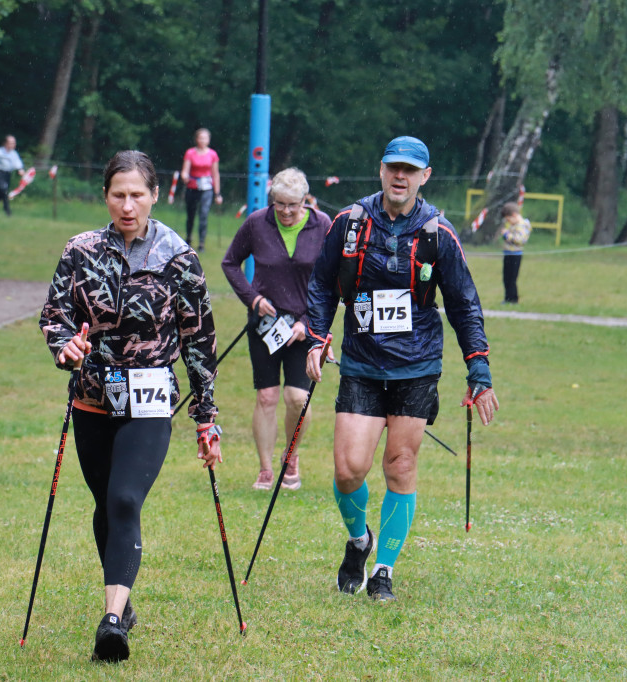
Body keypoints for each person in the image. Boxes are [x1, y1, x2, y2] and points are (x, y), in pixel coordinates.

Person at [39, 150, 222, 663]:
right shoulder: (81, 251)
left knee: (124, 500)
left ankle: (113, 621)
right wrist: (64, 346)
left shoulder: (178, 257)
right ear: (105, 196)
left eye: (137, 194)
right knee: (105, 505)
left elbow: (199, 340)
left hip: (149, 401)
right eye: (118, 194)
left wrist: (205, 415)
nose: (127, 205)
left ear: (155, 195)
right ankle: (124, 595)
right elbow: (55, 316)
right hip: (92, 400)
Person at [304, 136, 500, 602]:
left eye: (410, 170)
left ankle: (384, 570)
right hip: (361, 361)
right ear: (381, 170)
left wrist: (479, 371)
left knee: (400, 464)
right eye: (393, 167)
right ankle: (359, 541)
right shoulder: (351, 223)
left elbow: (464, 305)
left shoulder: (438, 233)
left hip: (417, 364)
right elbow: (321, 284)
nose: (400, 176)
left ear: (424, 176)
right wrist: (316, 336)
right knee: (350, 469)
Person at [221, 168, 331, 491]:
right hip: (266, 325)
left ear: (305, 202)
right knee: (267, 396)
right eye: (279, 204)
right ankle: (266, 469)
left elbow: (330, 281)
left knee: (297, 397)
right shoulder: (257, 222)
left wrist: (308, 323)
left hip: (304, 326)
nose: (284, 211)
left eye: (292, 206)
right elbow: (230, 263)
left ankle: (291, 455)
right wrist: (252, 299)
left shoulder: (322, 225)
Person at [179, 128, 222, 251]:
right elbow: (185, 171)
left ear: (208, 140)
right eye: (200, 137)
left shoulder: (212, 154)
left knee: (203, 214)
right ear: (196, 139)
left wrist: (217, 193)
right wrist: (184, 177)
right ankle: (188, 238)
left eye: (205, 138)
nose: (202, 140)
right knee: (191, 214)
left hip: (206, 188)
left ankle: (202, 242)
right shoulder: (190, 153)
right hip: (192, 187)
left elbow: (215, 174)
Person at [0, 135, 25, 215]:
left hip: (7, 175)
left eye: (14, 143)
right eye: (11, 143)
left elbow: (18, 164)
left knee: (0, 193)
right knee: (3, 190)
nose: (13, 145)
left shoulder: (14, 154)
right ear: (5, 144)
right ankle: (8, 211)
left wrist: (21, 170)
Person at [500, 201, 531, 304]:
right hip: (508, 254)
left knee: (512, 278)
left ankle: (513, 299)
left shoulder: (522, 225)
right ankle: (507, 298)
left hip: (515, 255)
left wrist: (506, 235)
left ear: (513, 215)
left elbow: (520, 240)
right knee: (506, 278)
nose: (508, 222)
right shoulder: (513, 225)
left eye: (509, 219)